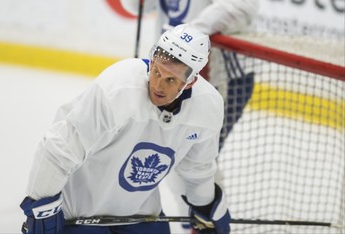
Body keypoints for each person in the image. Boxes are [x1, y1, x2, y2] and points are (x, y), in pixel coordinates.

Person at [20, 24, 231, 234]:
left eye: (171, 80)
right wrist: (43, 207)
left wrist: (204, 205)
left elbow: (197, 167)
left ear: (190, 82)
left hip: (142, 215)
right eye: (156, 71)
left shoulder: (207, 107)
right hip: (78, 215)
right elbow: (60, 148)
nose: (158, 85)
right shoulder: (118, 89)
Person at [120, 1, 259, 232]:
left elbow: (243, 6)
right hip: (174, 72)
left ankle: (205, 220)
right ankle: (196, 223)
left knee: (192, 157)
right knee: (174, 156)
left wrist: (189, 38)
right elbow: (138, 6)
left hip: (223, 76)